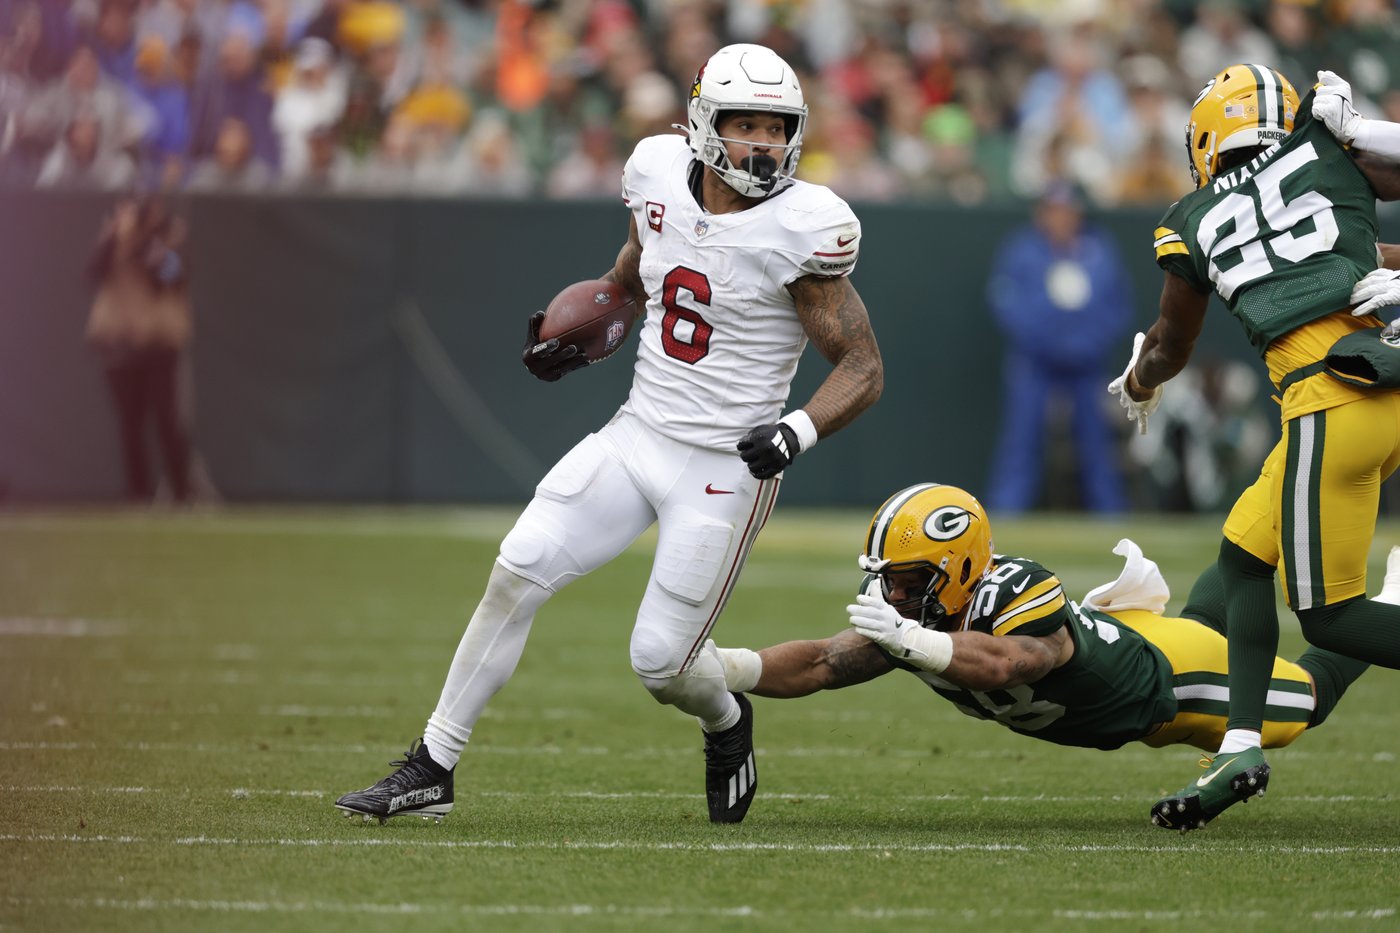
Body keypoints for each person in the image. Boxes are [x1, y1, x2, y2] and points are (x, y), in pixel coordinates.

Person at [335, 43, 884, 826]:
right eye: (745, 125)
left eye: (776, 126)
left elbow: (863, 366)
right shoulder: (657, 173)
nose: (763, 143)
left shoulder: (805, 228)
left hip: (726, 467)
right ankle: (432, 765)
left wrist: (794, 431)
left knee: (660, 664)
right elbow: (635, 270)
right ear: (701, 124)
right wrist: (591, 328)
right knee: (517, 567)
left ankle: (727, 719)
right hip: (639, 433)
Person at [1112, 65, 1400, 830]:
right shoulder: (1328, 154)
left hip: (1333, 400)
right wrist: (1360, 135)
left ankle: (1241, 740)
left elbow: (1174, 342)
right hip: (1379, 376)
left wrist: (1140, 380)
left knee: (1332, 619)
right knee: (1243, 555)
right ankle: (1240, 744)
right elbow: (1360, 250)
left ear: (1207, 140)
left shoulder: (1191, 216)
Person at [706, 484, 1381, 806]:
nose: (899, 598)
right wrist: (723, 666)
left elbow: (1011, 661)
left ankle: (1389, 602)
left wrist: (912, 639)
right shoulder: (918, 624)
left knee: (1307, 699)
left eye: (913, 581)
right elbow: (824, 662)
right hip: (1141, 649)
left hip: (1174, 684)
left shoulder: (1012, 589)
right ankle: (1261, 550)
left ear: (964, 566)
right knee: (1217, 608)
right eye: (891, 581)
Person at [985, 180, 1132, 514]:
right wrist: (1047, 340)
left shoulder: (1100, 251)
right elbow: (1005, 303)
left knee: (1096, 442)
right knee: (1022, 440)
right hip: (1035, 361)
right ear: (1041, 214)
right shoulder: (1022, 250)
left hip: (1087, 363)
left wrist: (1087, 343)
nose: (1060, 218)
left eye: (1067, 211)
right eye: (1053, 211)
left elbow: (1117, 306)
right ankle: (1007, 511)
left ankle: (1109, 513)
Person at [85, 193, 193, 503]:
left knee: (166, 419)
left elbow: (168, 278)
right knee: (130, 422)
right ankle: (138, 492)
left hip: (159, 342)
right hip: (120, 341)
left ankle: (181, 491)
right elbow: (92, 272)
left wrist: (148, 241)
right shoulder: (113, 237)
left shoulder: (172, 238)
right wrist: (117, 235)